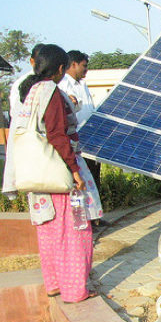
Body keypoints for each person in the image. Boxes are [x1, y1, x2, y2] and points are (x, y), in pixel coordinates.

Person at [14, 44, 103, 303]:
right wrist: (74, 171)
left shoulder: (31, 91)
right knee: (75, 229)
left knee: (50, 229)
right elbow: (56, 134)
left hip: (39, 173)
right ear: (61, 68)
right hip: (59, 174)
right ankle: (75, 290)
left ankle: (54, 283)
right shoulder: (51, 91)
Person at [58, 50, 105, 226]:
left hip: (91, 139)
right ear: (74, 64)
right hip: (75, 141)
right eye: (84, 66)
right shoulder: (63, 85)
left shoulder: (82, 85)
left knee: (94, 177)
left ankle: (95, 217)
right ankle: (85, 219)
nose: (86, 70)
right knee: (80, 181)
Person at [1, 43, 45, 199]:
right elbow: (18, 114)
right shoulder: (24, 83)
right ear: (32, 61)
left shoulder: (51, 82)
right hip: (31, 142)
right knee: (37, 192)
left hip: (45, 146)